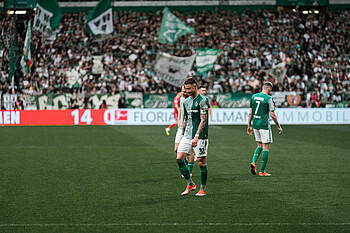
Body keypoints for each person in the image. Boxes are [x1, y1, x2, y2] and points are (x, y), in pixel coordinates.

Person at [177, 77, 209, 196]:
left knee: (201, 162)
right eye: (185, 89)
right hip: (187, 134)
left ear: (195, 86)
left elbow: (203, 120)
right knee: (179, 158)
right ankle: (190, 184)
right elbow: (185, 119)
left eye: (189, 88)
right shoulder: (186, 101)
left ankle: (203, 189)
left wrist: (196, 136)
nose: (187, 91)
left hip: (200, 135)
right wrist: (182, 134)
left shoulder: (203, 100)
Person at [247, 81, 283, 177]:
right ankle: (262, 171)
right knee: (266, 147)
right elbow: (272, 114)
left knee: (259, 145)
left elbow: (250, 113)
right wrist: (279, 126)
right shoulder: (268, 98)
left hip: (255, 124)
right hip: (264, 125)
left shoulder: (253, 97)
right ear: (269, 89)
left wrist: (249, 125)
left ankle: (254, 162)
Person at [174, 86, 195, 176]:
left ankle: (189, 169)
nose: (183, 92)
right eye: (182, 91)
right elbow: (180, 110)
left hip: (190, 128)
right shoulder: (182, 99)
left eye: (185, 91)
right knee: (176, 149)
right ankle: (186, 164)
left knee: (191, 151)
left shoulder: (192, 100)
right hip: (181, 127)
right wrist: (179, 120)